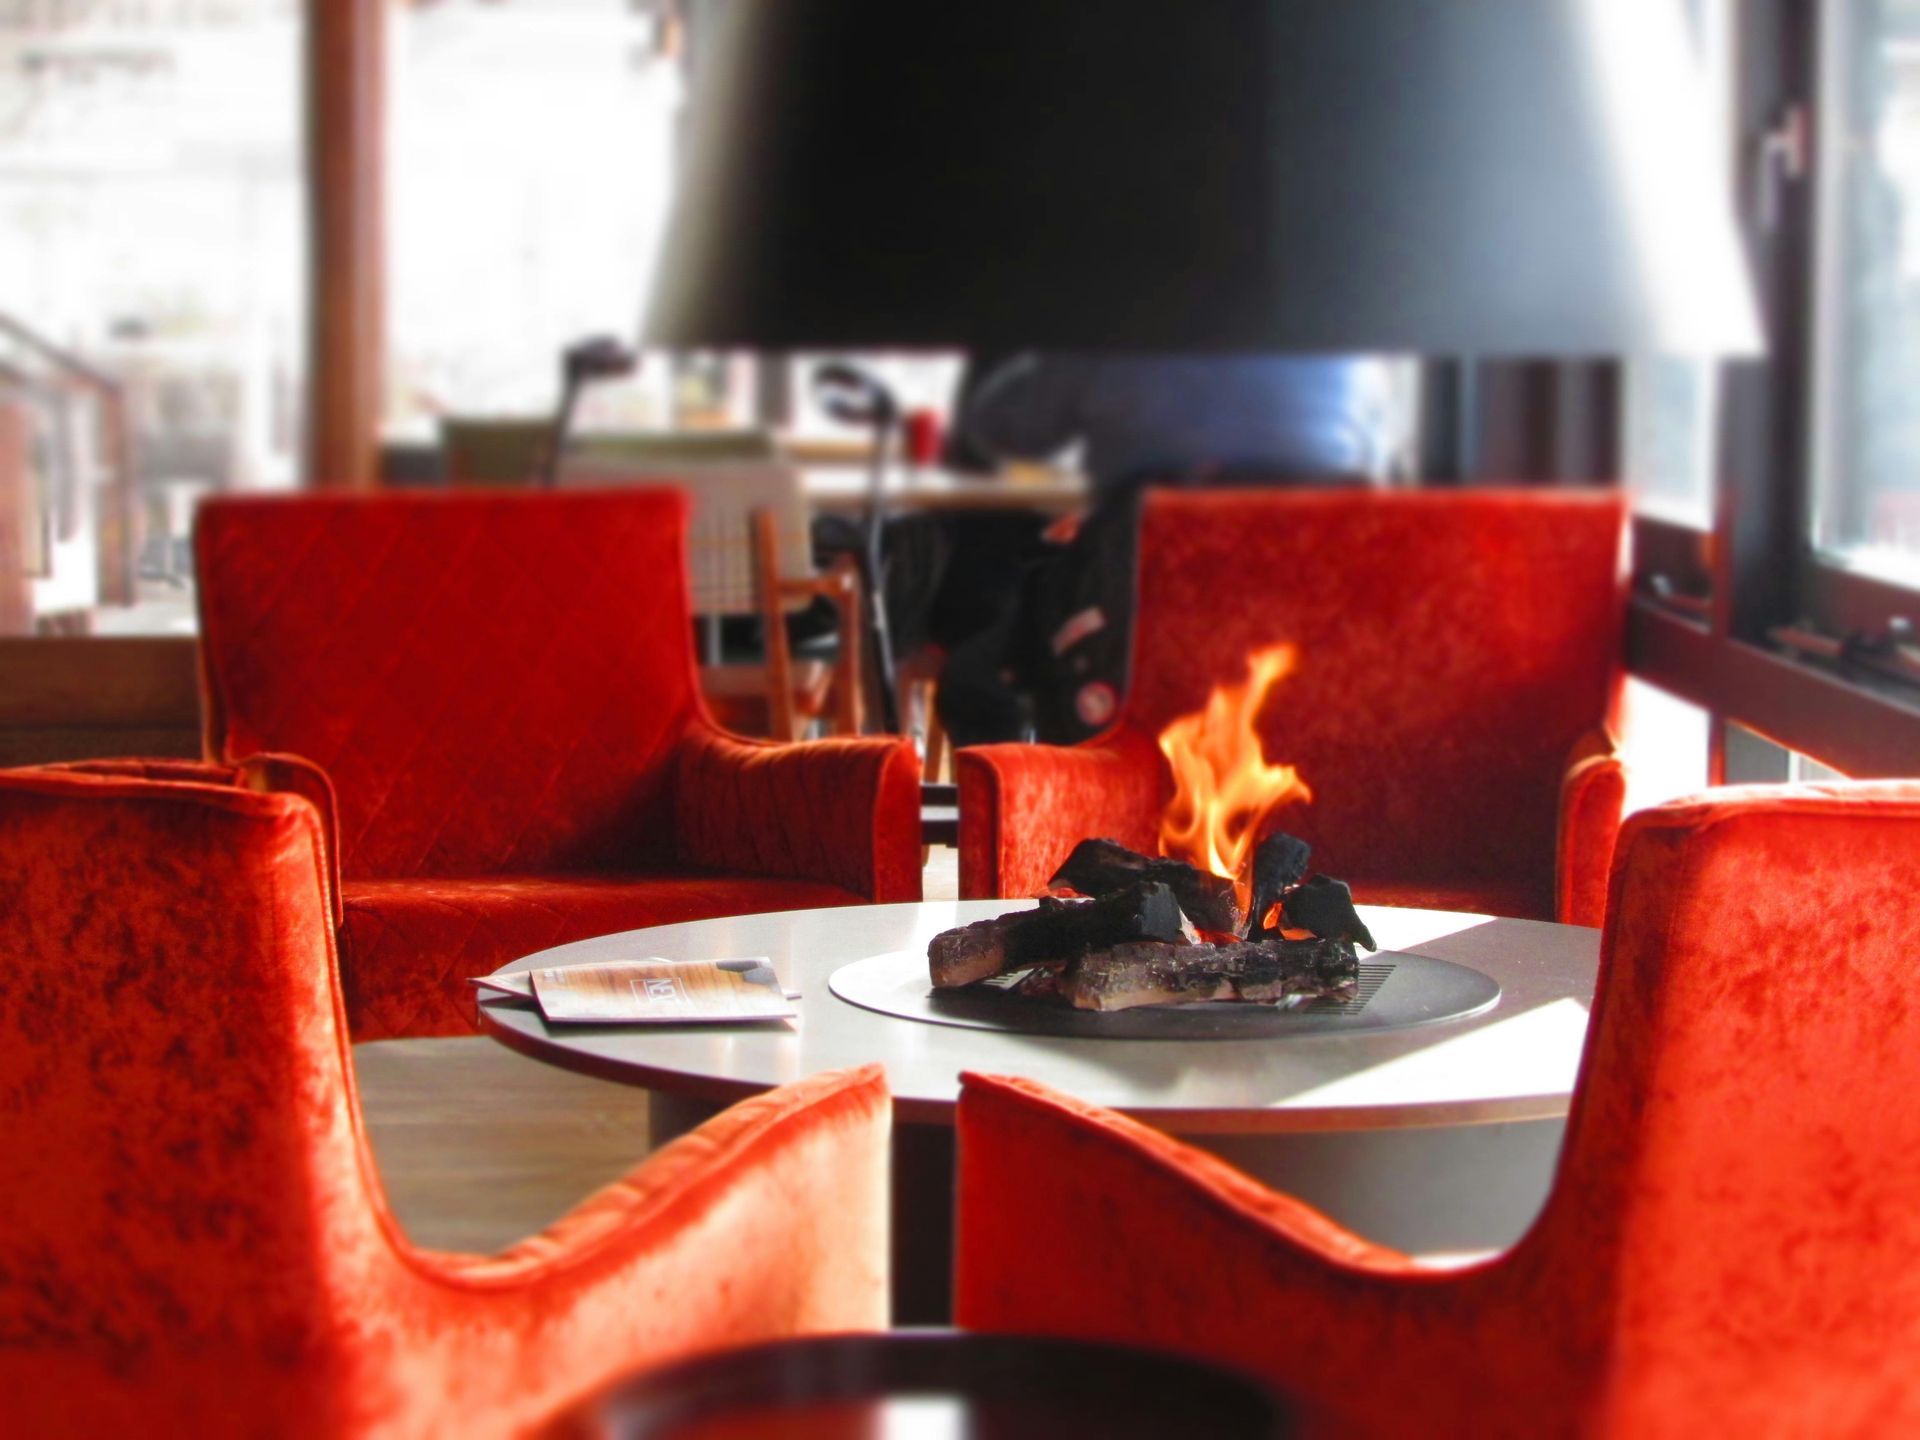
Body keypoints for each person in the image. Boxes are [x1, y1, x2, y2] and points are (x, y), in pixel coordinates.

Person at [935, 351, 1393, 748]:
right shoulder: (1350, 353)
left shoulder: (1132, 323)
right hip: (1313, 600)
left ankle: (1021, 810)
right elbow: (1373, 462)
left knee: (982, 662)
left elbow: (1000, 426)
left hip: (1138, 592)